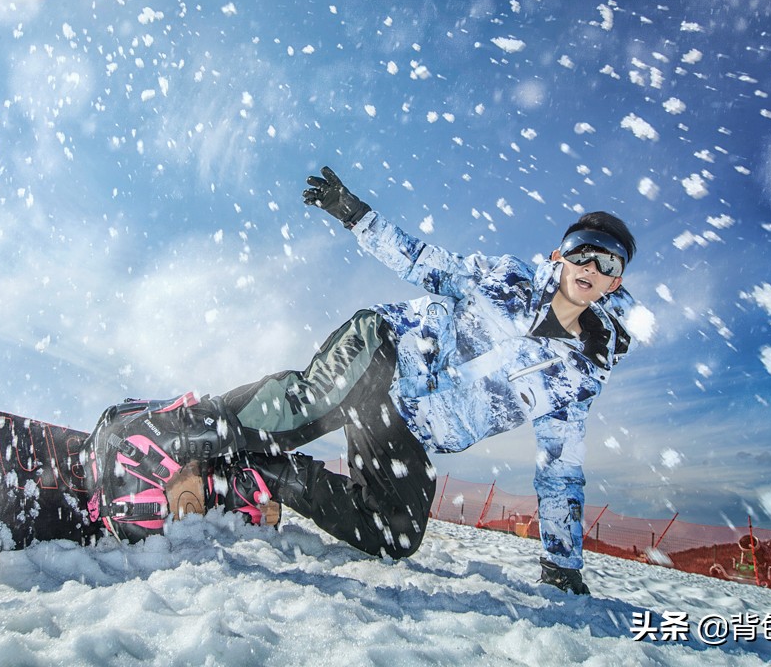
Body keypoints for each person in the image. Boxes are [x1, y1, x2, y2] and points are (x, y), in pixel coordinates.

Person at [84, 167, 639, 595]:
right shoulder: (506, 279)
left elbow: (560, 473)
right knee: (299, 409)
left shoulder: (577, 378)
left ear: (615, 283)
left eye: (608, 264)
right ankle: (151, 434)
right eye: (581, 252)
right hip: (386, 351)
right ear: (559, 255)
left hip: (406, 426)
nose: (591, 268)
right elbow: (426, 262)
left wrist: (562, 566)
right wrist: (356, 215)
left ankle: (256, 474)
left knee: (395, 534)